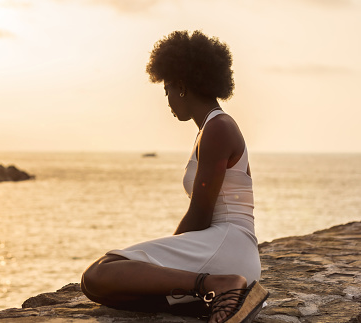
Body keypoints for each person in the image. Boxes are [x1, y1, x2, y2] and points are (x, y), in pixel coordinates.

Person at [80, 30, 269, 323]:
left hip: (227, 244)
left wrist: (161, 265)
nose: (167, 99)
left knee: (99, 273)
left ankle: (220, 285)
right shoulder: (209, 129)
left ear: (181, 86)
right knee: (113, 293)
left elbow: (201, 214)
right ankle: (222, 300)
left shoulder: (218, 128)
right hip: (225, 248)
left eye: (166, 88)